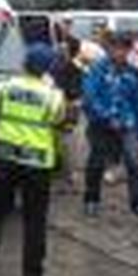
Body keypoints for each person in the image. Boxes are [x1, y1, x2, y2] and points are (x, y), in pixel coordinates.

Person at [0, 44, 67, 276]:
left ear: (24, 64)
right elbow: (58, 126)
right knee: (34, 220)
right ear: (47, 69)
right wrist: (60, 163)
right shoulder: (54, 96)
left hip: (4, 159)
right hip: (37, 165)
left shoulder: (3, 88)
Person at [82, 31, 138, 216]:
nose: (120, 53)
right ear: (110, 49)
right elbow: (89, 97)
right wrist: (105, 115)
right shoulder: (98, 69)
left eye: (124, 49)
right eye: (116, 48)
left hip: (127, 123)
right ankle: (91, 199)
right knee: (96, 162)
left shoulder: (132, 73)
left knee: (134, 162)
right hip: (101, 123)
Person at [50, 35, 85, 193]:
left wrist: (66, 99)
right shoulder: (58, 67)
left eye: (63, 48)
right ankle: (65, 176)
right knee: (61, 143)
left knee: (68, 144)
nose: (60, 49)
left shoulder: (74, 69)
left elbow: (76, 93)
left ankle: (71, 177)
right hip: (59, 108)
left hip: (68, 109)